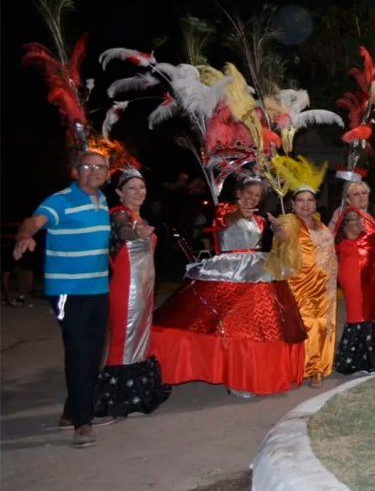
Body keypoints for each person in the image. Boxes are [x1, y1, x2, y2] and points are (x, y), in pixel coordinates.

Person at [150, 176, 307, 396]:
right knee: (219, 324)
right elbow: (226, 222)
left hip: (256, 272)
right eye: (249, 194)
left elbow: (276, 241)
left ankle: (249, 374)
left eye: (257, 196)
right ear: (239, 193)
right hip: (228, 271)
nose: (252, 198)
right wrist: (237, 213)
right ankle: (232, 376)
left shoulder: (260, 220)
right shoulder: (224, 210)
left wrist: (279, 231)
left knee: (256, 328)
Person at [13, 150, 116, 448]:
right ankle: (83, 423)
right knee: (78, 351)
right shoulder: (60, 199)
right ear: (75, 171)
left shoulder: (103, 201)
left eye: (100, 168)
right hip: (68, 291)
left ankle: (72, 412)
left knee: (93, 353)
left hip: (98, 289)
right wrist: (24, 235)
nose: (93, 172)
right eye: (86, 167)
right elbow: (33, 221)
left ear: (107, 173)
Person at [95, 167, 171, 418]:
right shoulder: (120, 214)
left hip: (144, 288)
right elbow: (122, 230)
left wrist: (141, 229)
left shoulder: (144, 219)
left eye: (141, 187)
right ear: (119, 193)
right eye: (131, 188)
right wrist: (134, 233)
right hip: (125, 288)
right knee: (123, 338)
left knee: (139, 338)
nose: (138, 192)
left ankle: (139, 392)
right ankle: (120, 398)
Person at [266, 160, 338, 388]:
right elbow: (284, 235)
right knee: (306, 325)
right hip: (300, 285)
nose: (305, 205)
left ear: (315, 203)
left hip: (324, 286)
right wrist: (277, 229)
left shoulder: (320, 225)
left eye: (309, 200)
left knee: (323, 325)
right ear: (293, 204)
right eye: (300, 200)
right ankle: (305, 367)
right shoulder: (290, 221)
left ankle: (318, 366)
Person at [330, 181, 375, 373]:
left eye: (364, 193)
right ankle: (359, 360)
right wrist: (351, 227)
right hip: (357, 273)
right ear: (347, 198)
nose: (361, 197)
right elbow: (346, 233)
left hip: (373, 275)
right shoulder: (351, 215)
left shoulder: (366, 215)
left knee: (374, 312)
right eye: (356, 194)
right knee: (360, 313)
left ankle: (374, 357)